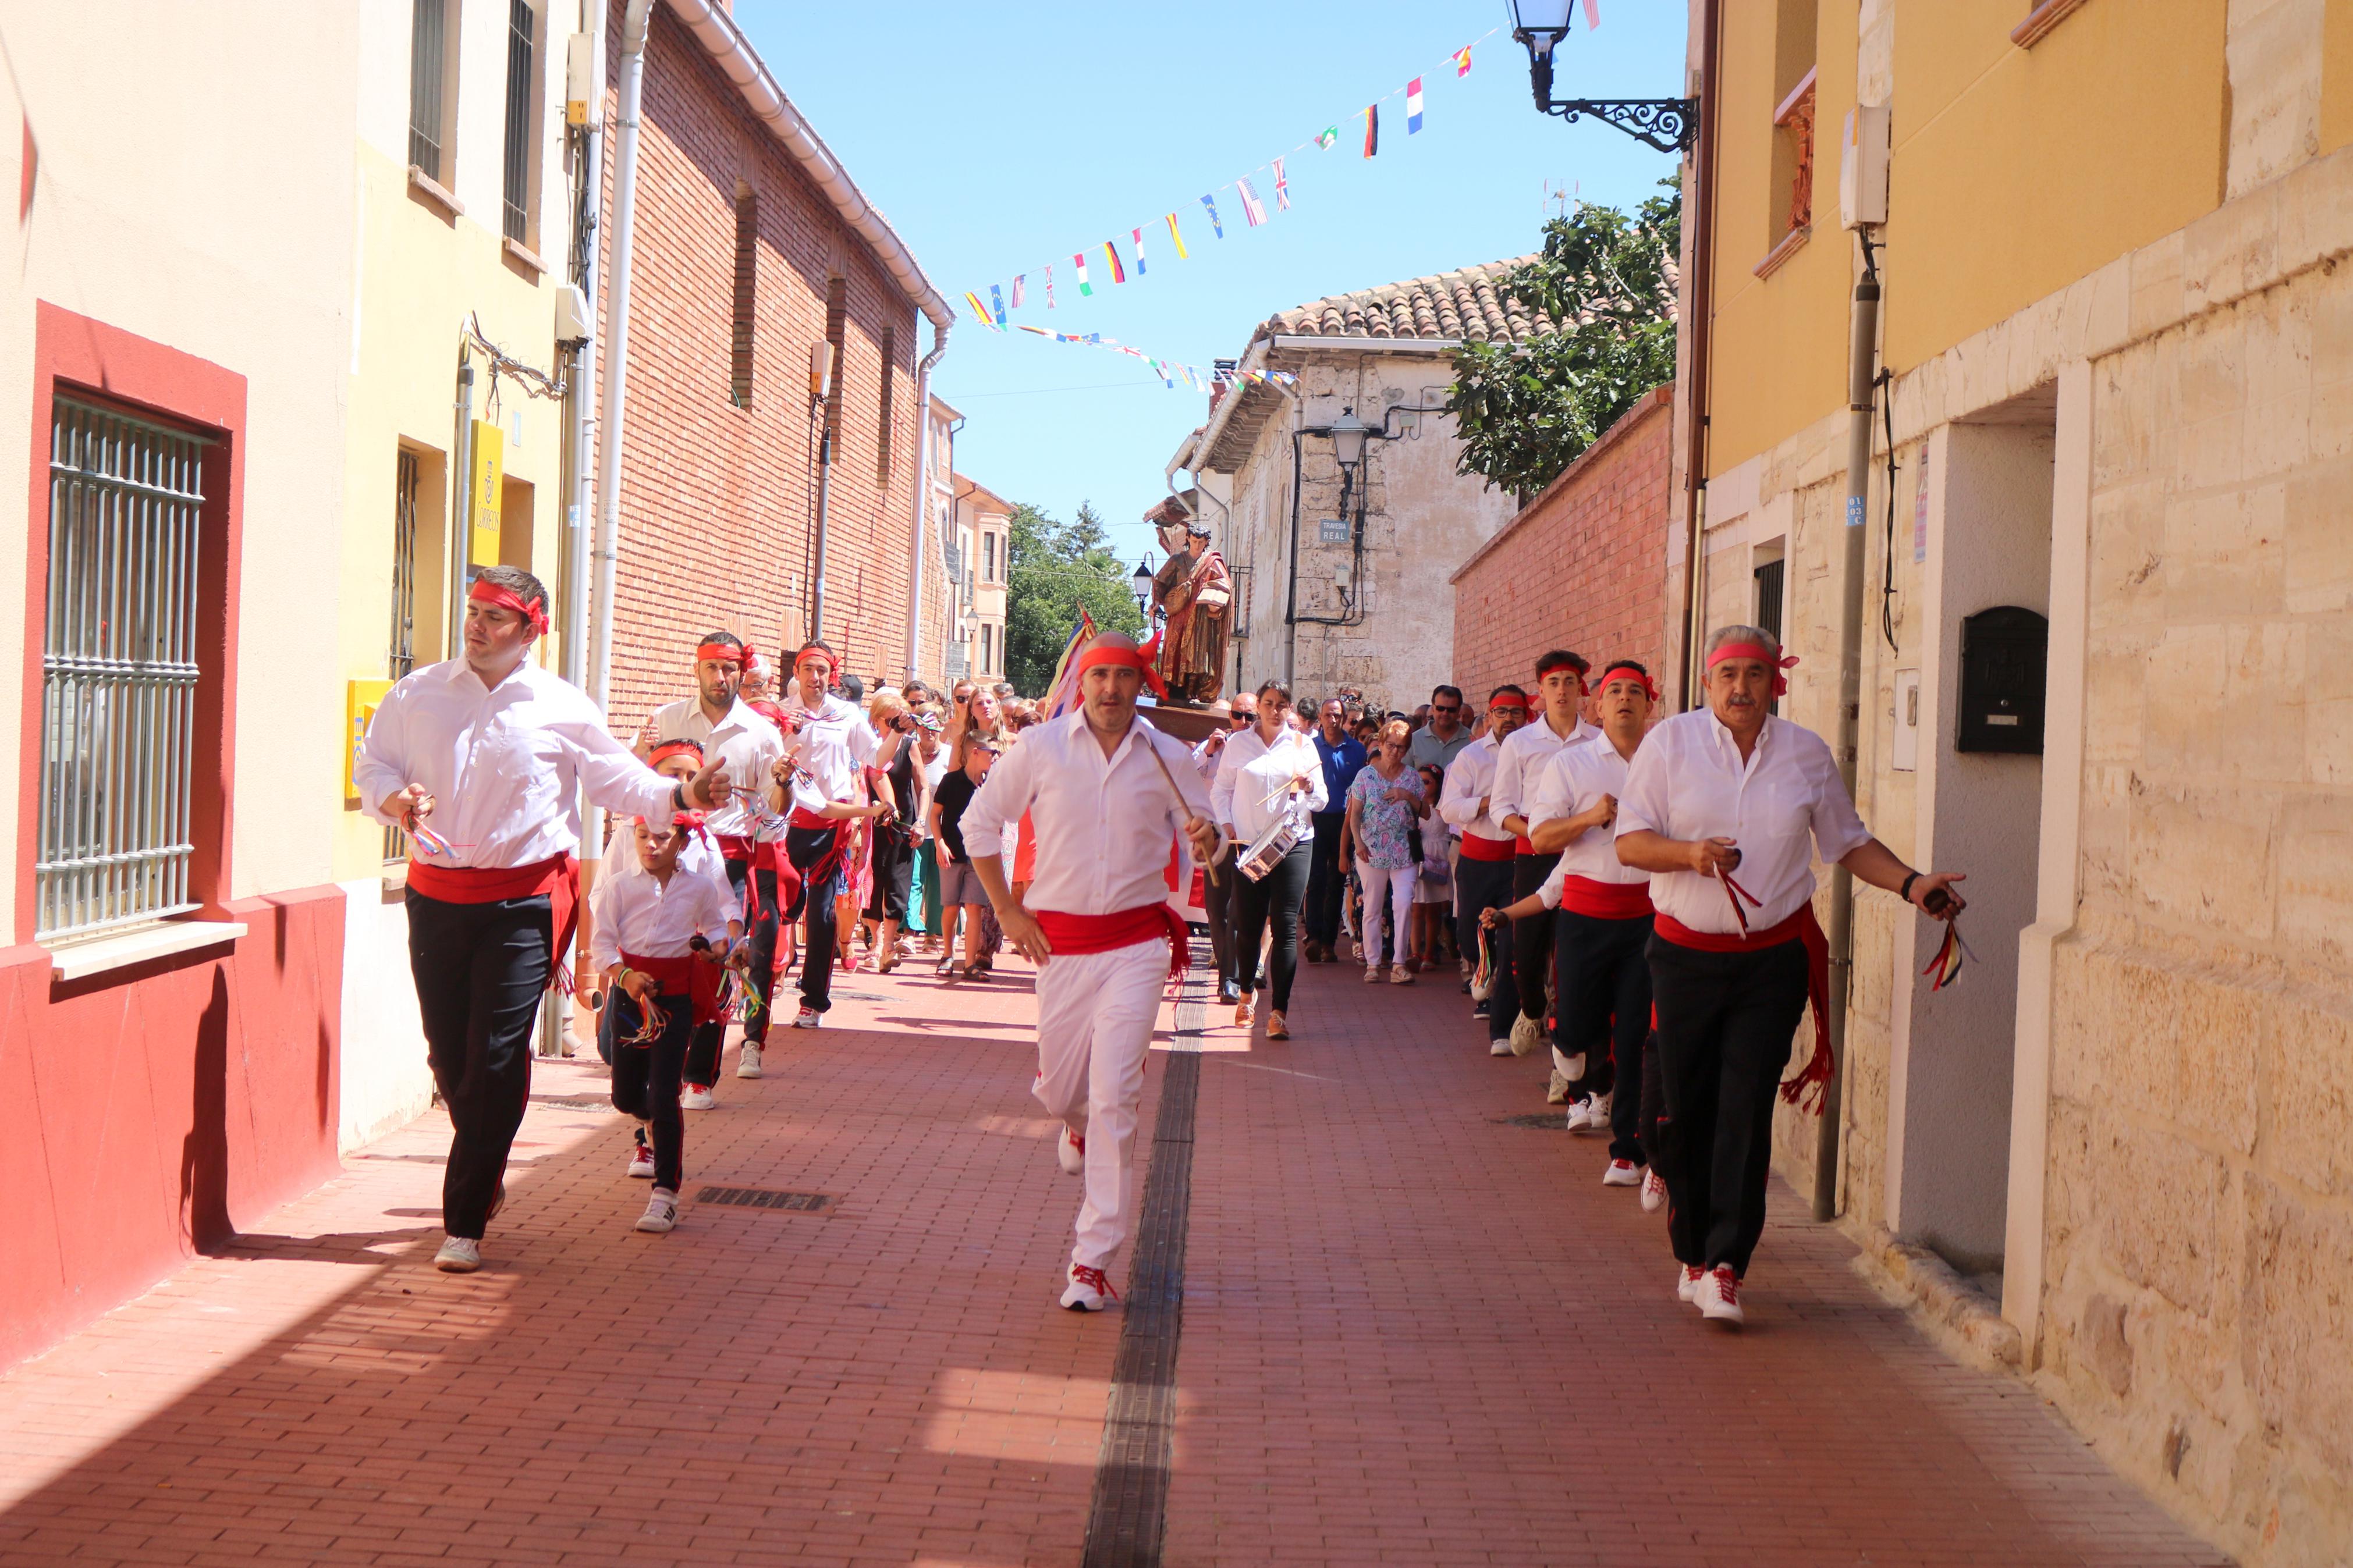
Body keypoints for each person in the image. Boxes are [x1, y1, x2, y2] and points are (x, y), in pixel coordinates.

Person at [353, 566, 732, 1273]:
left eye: (495, 618)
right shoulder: (417, 693)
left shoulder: (560, 703)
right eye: (471, 612)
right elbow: (370, 765)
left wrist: (682, 789)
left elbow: (618, 778)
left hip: (525, 901)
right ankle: (487, 1154)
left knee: (495, 1052)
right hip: (434, 895)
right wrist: (394, 799)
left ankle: (463, 1222)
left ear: (532, 629)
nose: (476, 627)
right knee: (449, 1055)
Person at [1617, 625, 1968, 1326]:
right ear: (1707, 683)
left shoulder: (1804, 753)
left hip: (1768, 964)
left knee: (1743, 1110)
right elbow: (1630, 842)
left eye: (1754, 673)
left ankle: (1723, 1265)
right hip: (1682, 957)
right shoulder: (1669, 746)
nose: (1741, 688)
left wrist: (1911, 884)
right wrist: (1688, 854)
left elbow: (1848, 842)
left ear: (1775, 680)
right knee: (1683, 1112)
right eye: (1728, 675)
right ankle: (1689, 1249)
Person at [962, 633, 1218, 1310]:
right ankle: (1069, 1121)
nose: (1108, 689)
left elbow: (1208, 831)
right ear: (1082, 680)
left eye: (1121, 677)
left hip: (1137, 944)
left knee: (1115, 1099)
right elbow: (978, 825)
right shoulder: (1039, 748)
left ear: (1141, 684)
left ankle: (1092, 1260)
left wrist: (1207, 836)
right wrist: (1007, 914)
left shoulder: (1169, 756)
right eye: (1097, 675)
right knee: (1062, 1093)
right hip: (1060, 946)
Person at [1522, 661, 1664, 1200]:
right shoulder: (1572, 764)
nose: (1624, 699)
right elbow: (1539, 837)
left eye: (1635, 691)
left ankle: (1628, 1147)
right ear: (1597, 705)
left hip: (1649, 915)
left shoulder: (1665, 762)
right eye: (1613, 692)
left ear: (1649, 704)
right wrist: (1587, 818)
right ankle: (1568, 1045)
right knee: (1579, 1024)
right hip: (1585, 912)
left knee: (1634, 1035)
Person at [641, 631, 787, 1094]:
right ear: (696, 668)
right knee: (659, 949)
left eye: (728, 668)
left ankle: (699, 1075)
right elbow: (635, 782)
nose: (720, 676)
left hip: (728, 858)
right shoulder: (664, 719)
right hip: (666, 853)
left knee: (718, 958)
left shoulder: (761, 733)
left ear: (741, 673)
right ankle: (653, 1053)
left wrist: (784, 783)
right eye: (711, 667)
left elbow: (775, 807)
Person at [590, 814, 737, 1235]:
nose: (650, 845)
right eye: (641, 836)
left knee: (666, 1092)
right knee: (625, 1096)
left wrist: (716, 948)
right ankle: (652, 1120)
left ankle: (665, 1195)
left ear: (683, 840)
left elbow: (712, 924)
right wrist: (624, 976)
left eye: (661, 837)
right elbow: (601, 941)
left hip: (674, 999)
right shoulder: (620, 885)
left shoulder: (699, 886)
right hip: (629, 996)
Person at [773, 641, 890, 1027]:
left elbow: (876, 758)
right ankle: (771, 975)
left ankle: (813, 1001)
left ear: (831, 675)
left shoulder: (847, 714)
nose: (815, 677)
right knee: (779, 909)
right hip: (787, 822)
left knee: (822, 915)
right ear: (797, 673)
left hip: (831, 826)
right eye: (807, 669)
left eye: (822, 670)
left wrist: (898, 733)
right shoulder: (780, 715)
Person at [1490, 650, 1598, 1057]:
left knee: (1572, 952)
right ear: (1540, 691)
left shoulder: (1596, 741)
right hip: (1535, 853)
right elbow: (1501, 808)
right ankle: (1532, 1008)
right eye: (1553, 683)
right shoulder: (1520, 742)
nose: (1562, 691)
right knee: (1528, 948)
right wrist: (1539, 833)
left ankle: (1564, 1053)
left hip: (1585, 852)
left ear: (1581, 691)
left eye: (1569, 682)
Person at [1212, 679, 1323, 1037]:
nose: (1276, 710)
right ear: (1258, 706)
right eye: (1270, 703)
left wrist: (1307, 787)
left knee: (1286, 926)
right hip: (1249, 843)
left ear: (1290, 709)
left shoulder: (1303, 745)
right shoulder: (1238, 744)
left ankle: (1280, 1013)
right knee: (1249, 925)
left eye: (1282, 704)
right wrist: (1226, 825)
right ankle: (1246, 993)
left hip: (1293, 842)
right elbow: (1221, 789)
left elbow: (1322, 799)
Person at [1437, 687, 1529, 1055]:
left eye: (1517, 712)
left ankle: (1502, 1032)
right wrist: (1493, 802)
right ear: (1489, 717)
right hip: (1476, 861)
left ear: (1527, 717)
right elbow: (1449, 808)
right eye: (1501, 712)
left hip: (1519, 860)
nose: (1509, 719)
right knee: (1467, 936)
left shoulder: (1536, 755)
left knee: (1510, 943)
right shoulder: (1471, 756)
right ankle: (1482, 968)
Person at [1346, 718, 1429, 984]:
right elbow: (1355, 814)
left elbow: (1426, 812)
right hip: (1371, 851)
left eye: (1402, 747)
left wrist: (1407, 795)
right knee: (1371, 907)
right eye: (1391, 746)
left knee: (1404, 904)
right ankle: (1372, 963)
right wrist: (1358, 842)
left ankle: (1399, 962)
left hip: (1404, 851)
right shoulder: (1366, 776)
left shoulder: (1412, 777)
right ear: (1380, 744)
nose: (1396, 752)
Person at [1191, 692, 1256, 1004]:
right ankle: (1228, 975)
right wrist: (1207, 751)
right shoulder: (1216, 746)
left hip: (1249, 839)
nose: (1243, 722)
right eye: (1237, 715)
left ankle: (1237, 975)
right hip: (1217, 839)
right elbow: (1186, 778)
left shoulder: (1262, 749)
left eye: (1250, 717)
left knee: (1242, 912)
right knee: (1216, 911)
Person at [1301, 698, 1367, 963]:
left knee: (1337, 881)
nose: (1333, 720)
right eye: (1328, 715)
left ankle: (1329, 942)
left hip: (1344, 821)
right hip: (1315, 818)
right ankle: (1314, 937)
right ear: (1320, 716)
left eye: (1338, 716)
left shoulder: (1356, 749)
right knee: (1315, 879)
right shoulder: (1310, 747)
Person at [928, 734, 999, 980]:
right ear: (975, 752)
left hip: (979, 855)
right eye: (992, 752)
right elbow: (935, 814)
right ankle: (948, 955)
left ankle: (969, 963)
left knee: (974, 907)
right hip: (952, 852)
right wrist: (940, 844)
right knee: (950, 905)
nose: (995, 757)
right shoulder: (951, 781)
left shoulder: (991, 784)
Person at [1147, 514, 1233, 704]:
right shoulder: (1178, 560)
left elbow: (1225, 584)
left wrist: (1215, 596)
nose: (1196, 545)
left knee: (1197, 654)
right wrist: (1157, 602)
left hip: (1200, 618)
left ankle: (1194, 691)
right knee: (1174, 650)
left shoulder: (1212, 562)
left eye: (1200, 542)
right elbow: (1161, 581)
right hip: (1179, 615)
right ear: (1188, 539)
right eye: (1193, 541)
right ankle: (1171, 687)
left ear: (1207, 542)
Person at [866, 689, 921, 972]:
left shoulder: (909, 745)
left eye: (899, 720)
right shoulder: (866, 745)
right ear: (877, 719)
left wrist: (920, 821)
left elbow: (923, 788)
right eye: (890, 721)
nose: (895, 726)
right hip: (871, 821)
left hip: (902, 823)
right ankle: (874, 944)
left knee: (898, 882)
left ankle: (889, 945)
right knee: (872, 882)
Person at [1410, 763, 1453, 973]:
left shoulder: (1444, 806)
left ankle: (1430, 951)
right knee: (1417, 906)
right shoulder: (1413, 805)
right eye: (1419, 782)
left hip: (1438, 856)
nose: (1423, 786)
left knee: (1434, 907)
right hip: (1418, 855)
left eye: (1427, 782)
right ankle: (1414, 952)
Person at [1408, 685, 1473, 770]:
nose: (1445, 713)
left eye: (1451, 710)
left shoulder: (1471, 740)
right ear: (1433, 708)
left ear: (1459, 710)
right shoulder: (1414, 740)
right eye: (1441, 708)